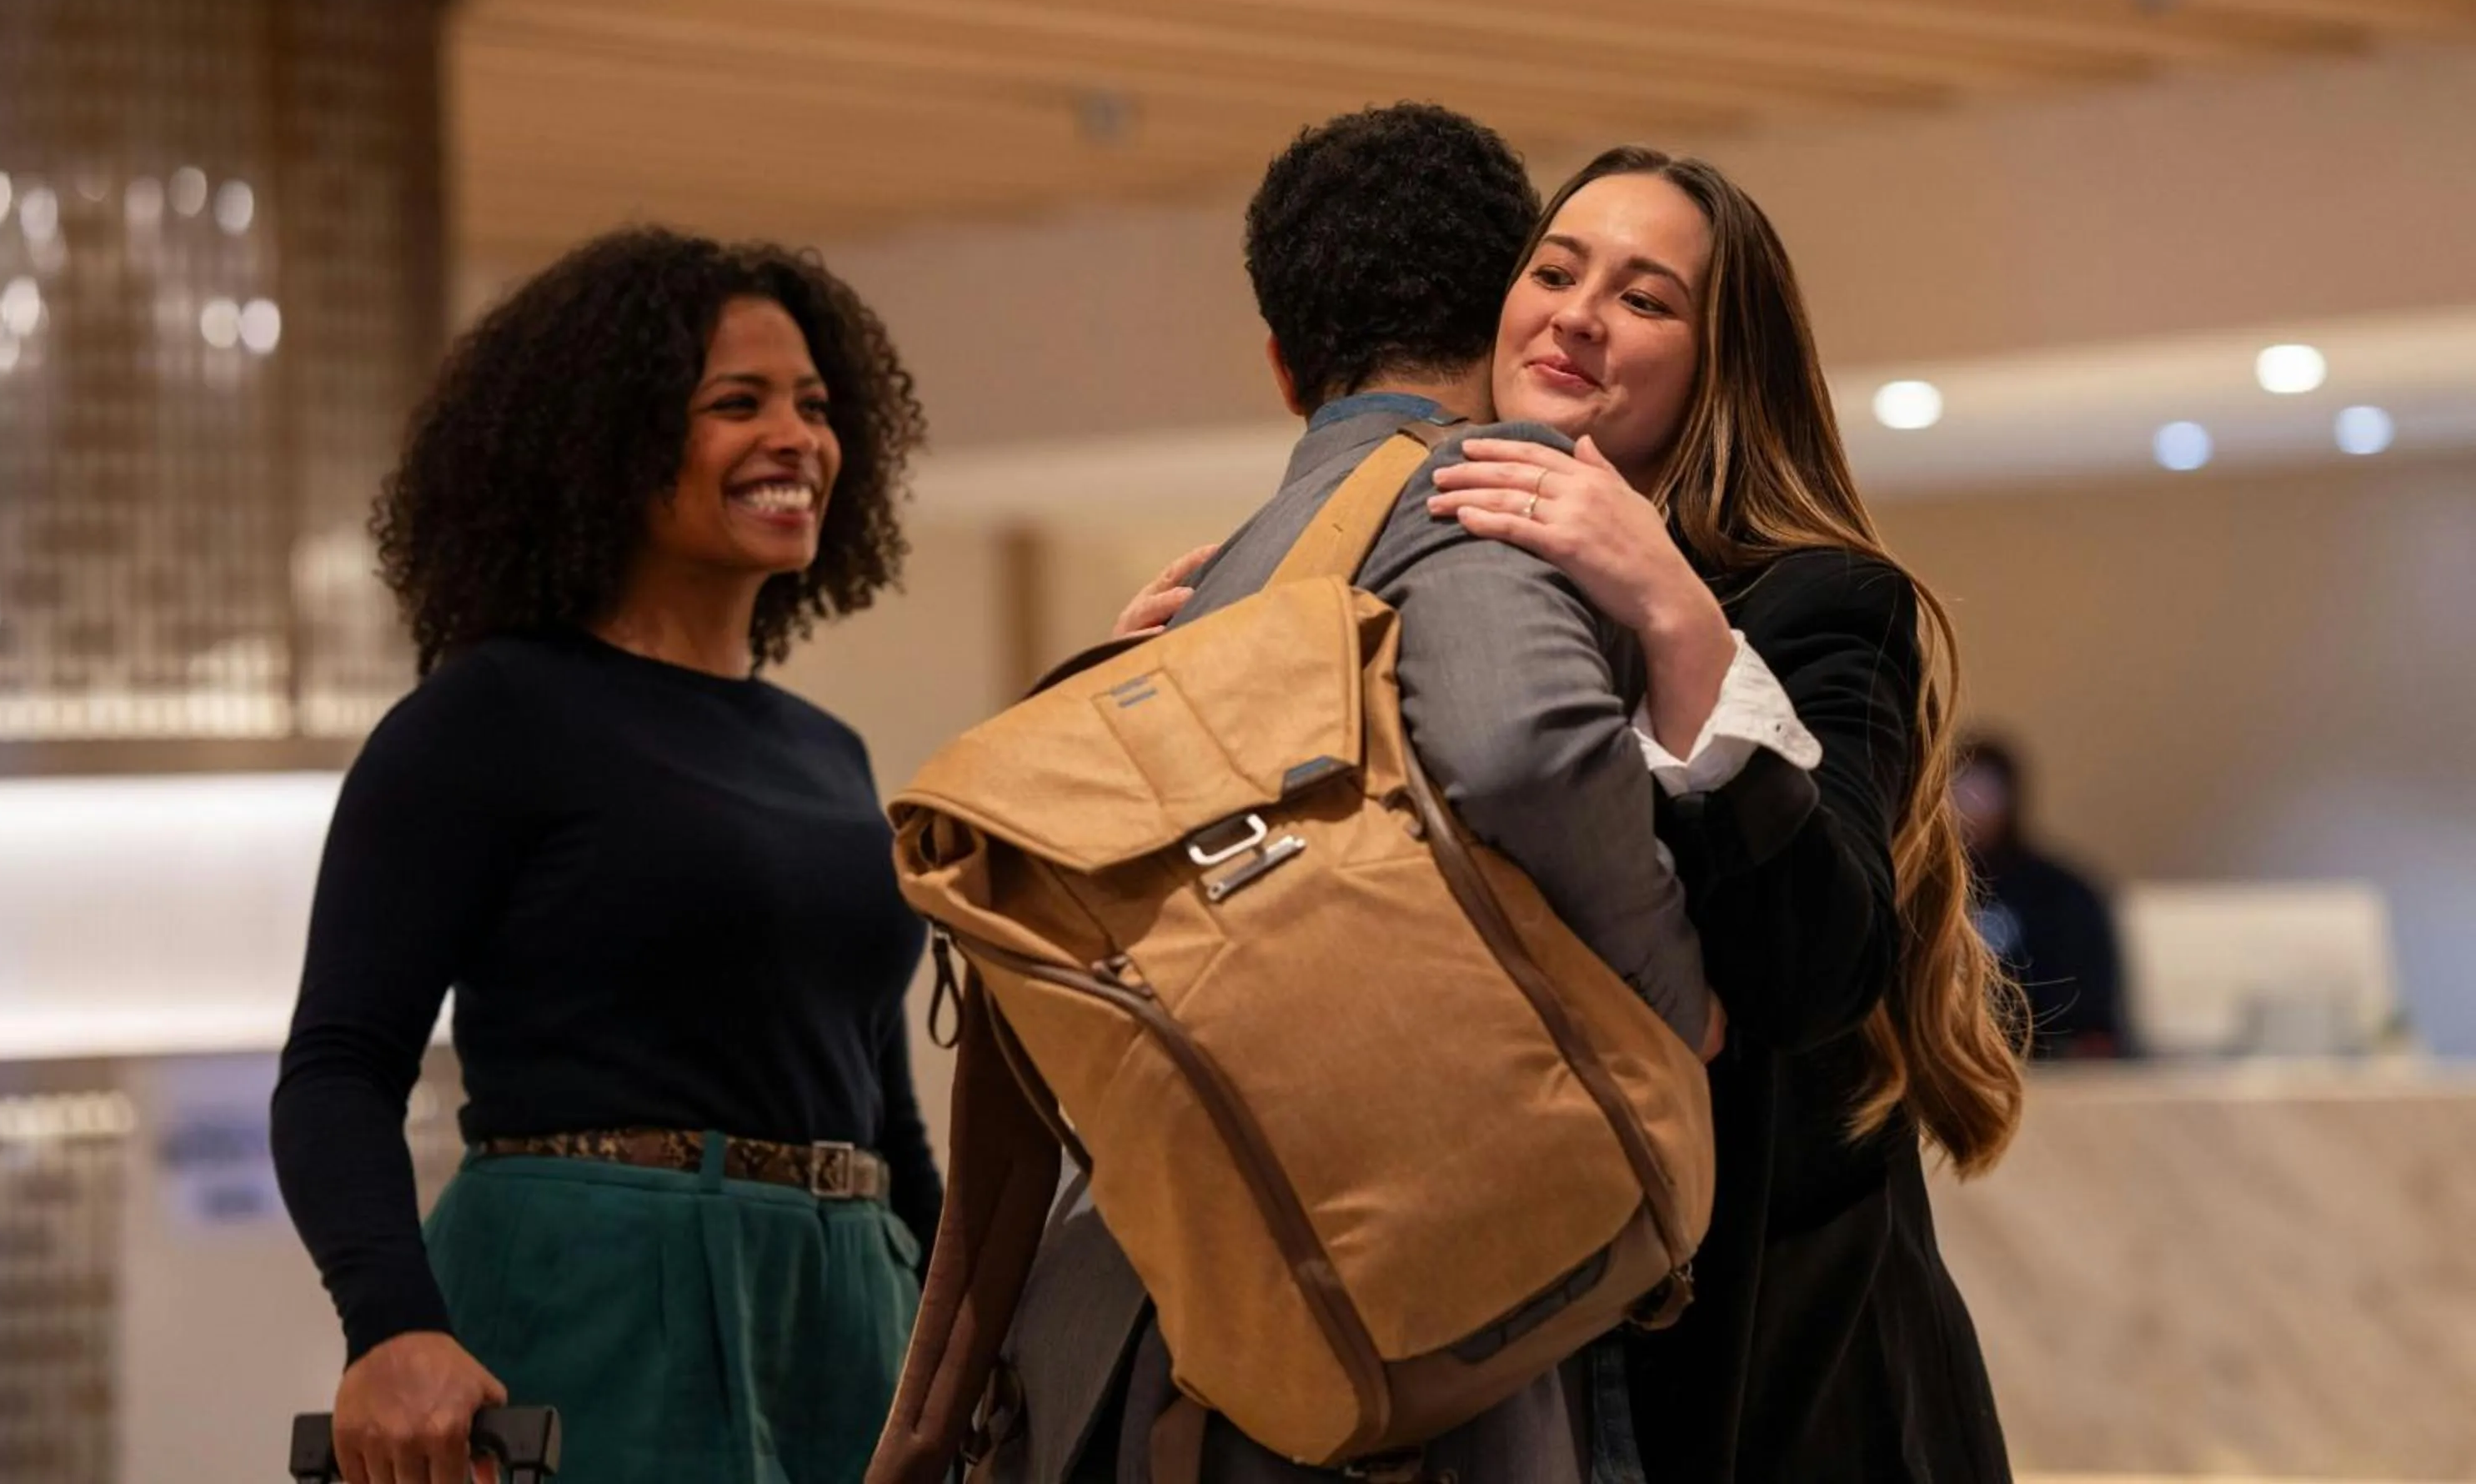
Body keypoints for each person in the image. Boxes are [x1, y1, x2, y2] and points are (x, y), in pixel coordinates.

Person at [974, 104, 1726, 1484]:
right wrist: (1670, 1010)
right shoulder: (1486, 493)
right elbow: (1524, 750)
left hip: (1157, 1306)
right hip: (1388, 1309)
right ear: (1505, 306)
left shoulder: (1215, 585)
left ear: (1281, 365)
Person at [271, 228, 940, 1484]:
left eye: (813, 404)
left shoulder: (830, 753)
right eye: (736, 404)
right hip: (596, 1296)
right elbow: (338, 1067)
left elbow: (882, 1109)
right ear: (608, 442)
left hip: (849, 1303)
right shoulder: (489, 716)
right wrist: (390, 1322)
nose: (795, 438)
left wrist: (971, 1331)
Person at [1425, 147, 2027, 1482]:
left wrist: (1673, 610)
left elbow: (1816, 967)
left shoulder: (1821, 601)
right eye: (1555, 272)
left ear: (1720, 367)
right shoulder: (1432, 588)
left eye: (1646, 299)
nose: (1580, 315)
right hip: (1516, 1336)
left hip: (1783, 1364)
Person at [1955, 734, 2132, 1057]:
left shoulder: (2062, 894)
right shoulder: (1923, 891)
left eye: (1984, 794)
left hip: (2052, 1060)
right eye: (1960, 792)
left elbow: (2090, 1008)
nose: (1971, 808)